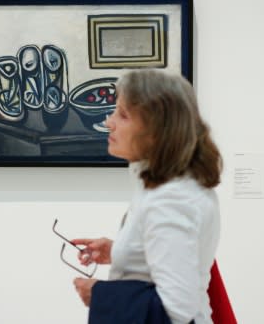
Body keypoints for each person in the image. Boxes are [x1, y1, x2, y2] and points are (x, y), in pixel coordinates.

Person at [71, 69, 222, 324]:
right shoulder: (176, 185)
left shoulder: (171, 201)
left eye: (123, 114)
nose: (109, 122)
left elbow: (178, 309)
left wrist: (98, 294)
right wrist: (120, 251)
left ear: (156, 130)